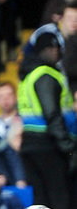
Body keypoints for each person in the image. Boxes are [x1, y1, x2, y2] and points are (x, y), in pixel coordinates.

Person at [17, 32, 77, 209]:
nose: (56, 52)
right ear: (41, 50)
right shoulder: (46, 75)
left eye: (58, 47)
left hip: (30, 144)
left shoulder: (29, 75)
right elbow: (52, 114)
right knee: (61, 197)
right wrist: (68, 148)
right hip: (48, 146)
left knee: (41, 201)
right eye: (51, 48)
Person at [0, 82, 23, 152]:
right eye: (1, 96)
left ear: (16, 97)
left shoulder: (25, 122)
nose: (5, 99)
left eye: (9, 95)